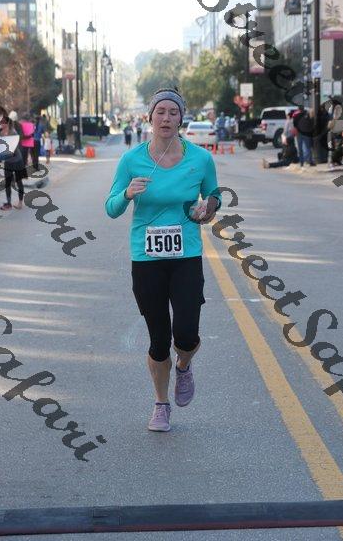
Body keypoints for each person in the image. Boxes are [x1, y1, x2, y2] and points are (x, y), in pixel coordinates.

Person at [105, 88, 221, 433]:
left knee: (186, 334)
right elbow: (111, 208)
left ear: (181, 118)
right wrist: (127, 193)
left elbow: (213, 196)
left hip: (186, 254)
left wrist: (207, 210)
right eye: (160, 112)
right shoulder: (131, 160)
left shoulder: (201, 159)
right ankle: (160, 404)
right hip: (147, 258)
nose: (166, 118)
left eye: (173, 112)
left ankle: (184, 366)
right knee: (158, 339)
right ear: (150, 117)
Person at [0, 112, 27, 211]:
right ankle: (9, 203)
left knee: (19, 181)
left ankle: (20, 202)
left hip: (17, 160)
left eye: (3, 122)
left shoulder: (13, 132)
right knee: (7, 182)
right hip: (8, 161)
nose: (1, 124)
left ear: (7, 123)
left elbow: (14, 148)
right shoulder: (1, 134)